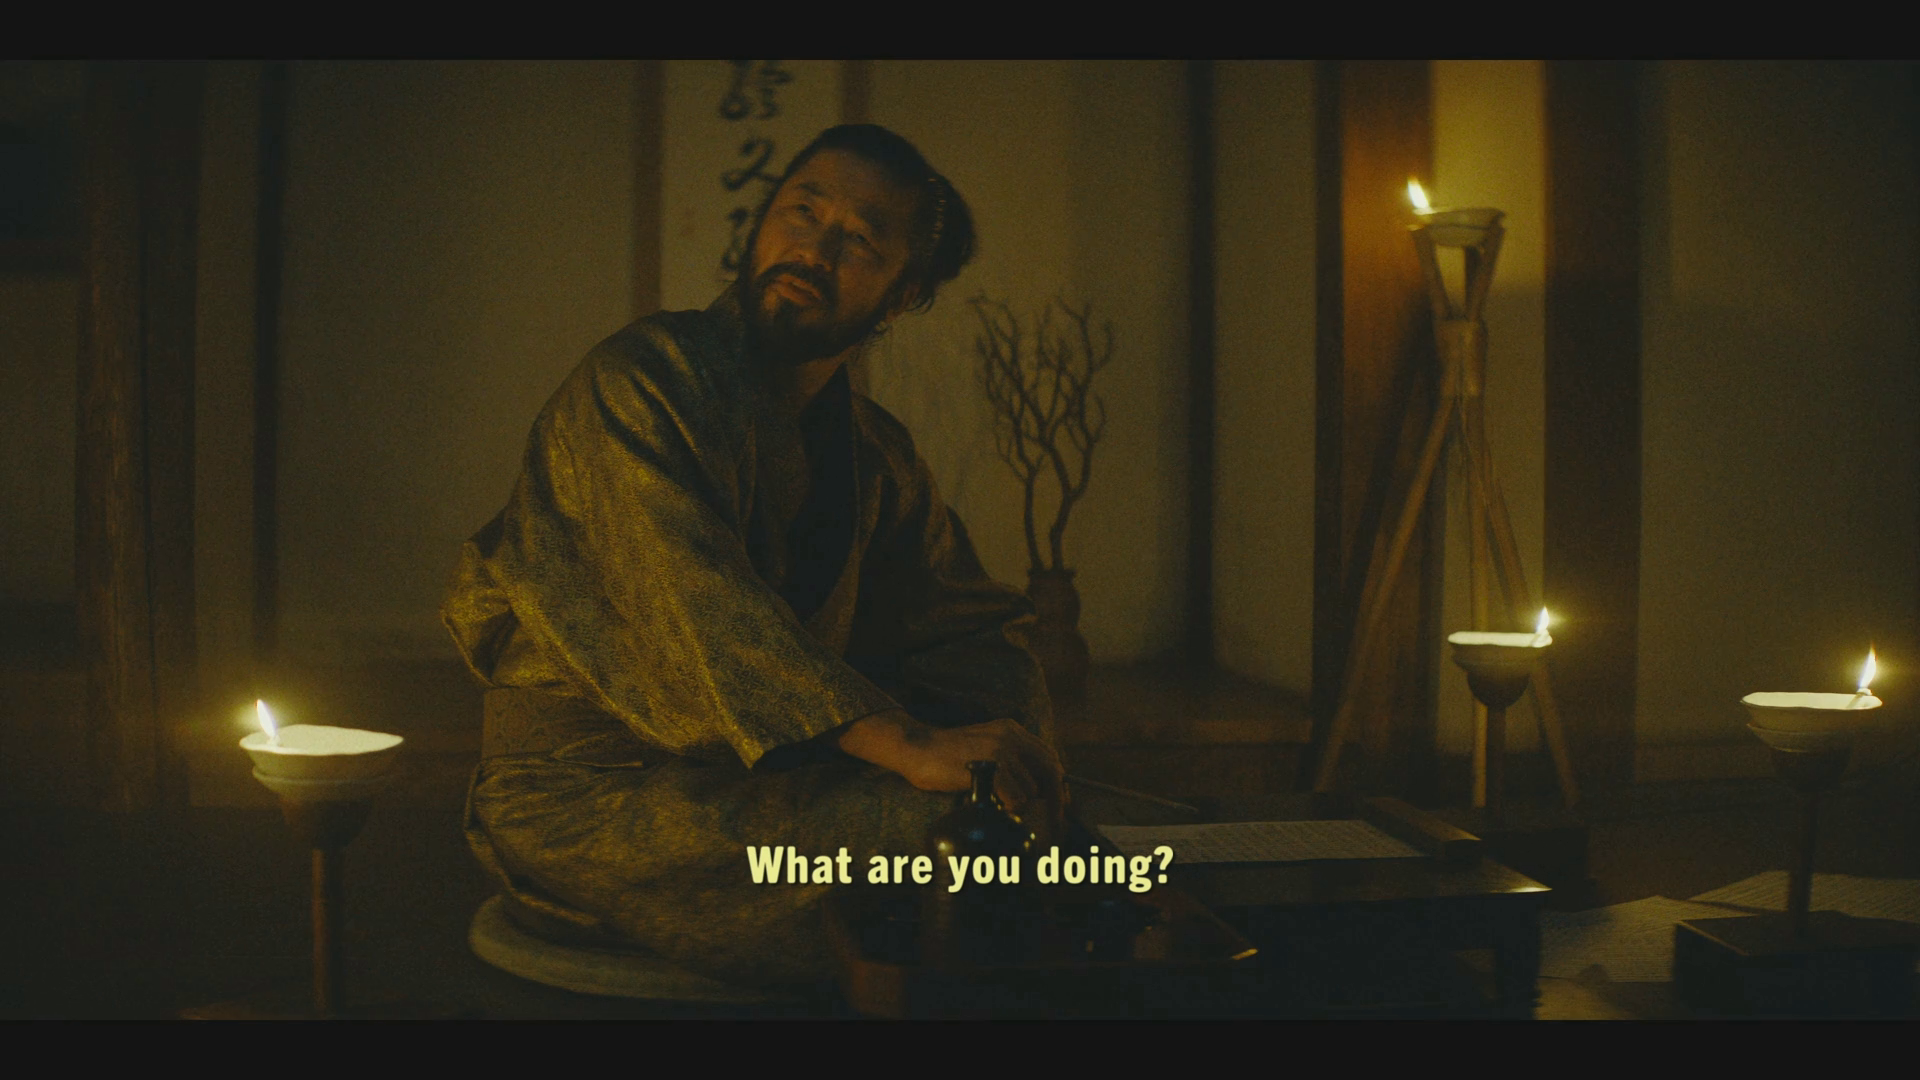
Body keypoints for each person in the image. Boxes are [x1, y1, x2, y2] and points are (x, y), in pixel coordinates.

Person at [442, 124, 1065, 988]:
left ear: (903, 296)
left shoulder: (877, 455)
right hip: (590, 789)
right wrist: (911, 741)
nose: (814, 249)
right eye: (801, 211)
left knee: (1028, 825)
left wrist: (1009, 760)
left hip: (776, 789)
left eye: (859, 240)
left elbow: (966, 627)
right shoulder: (642, 380)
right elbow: (692, 605)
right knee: (956, 847)